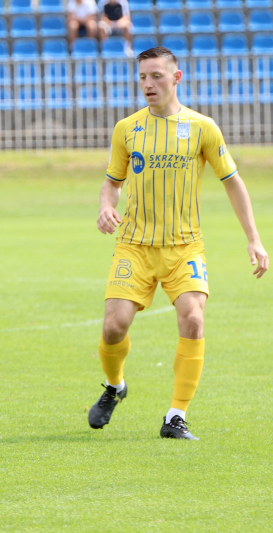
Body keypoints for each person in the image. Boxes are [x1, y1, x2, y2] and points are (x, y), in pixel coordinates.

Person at [89, 47, 269, 440]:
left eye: (155, 76)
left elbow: (233, 182)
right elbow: (112, 182)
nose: (147, 84)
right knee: (114, 327)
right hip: (134, 245)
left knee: (193, 318)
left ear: (176, 77)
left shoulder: (203, 127)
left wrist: (254, 239)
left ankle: (175, 417)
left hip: (184, 247)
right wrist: (106, 206)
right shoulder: (127, 129)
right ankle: (115, 385)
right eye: (142, 77)